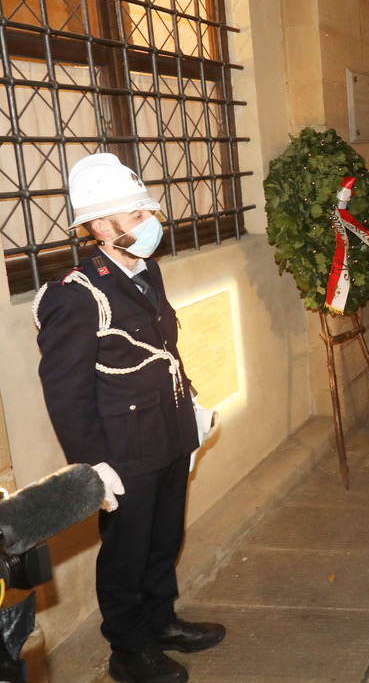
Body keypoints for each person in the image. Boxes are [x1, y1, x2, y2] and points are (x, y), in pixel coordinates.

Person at [32, 153, 223, 683]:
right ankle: (128, 647)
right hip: (124, 451)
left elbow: (163, 349)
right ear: (99, 226)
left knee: (165, 539)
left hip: (168, 432)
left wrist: (192, 408)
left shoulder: (147, 270)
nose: (149, 223)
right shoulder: (75, 293)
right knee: (126, 552)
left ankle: (161, 621)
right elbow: (66, 394)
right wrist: (94, 468)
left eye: (146, 211)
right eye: (135, 215)